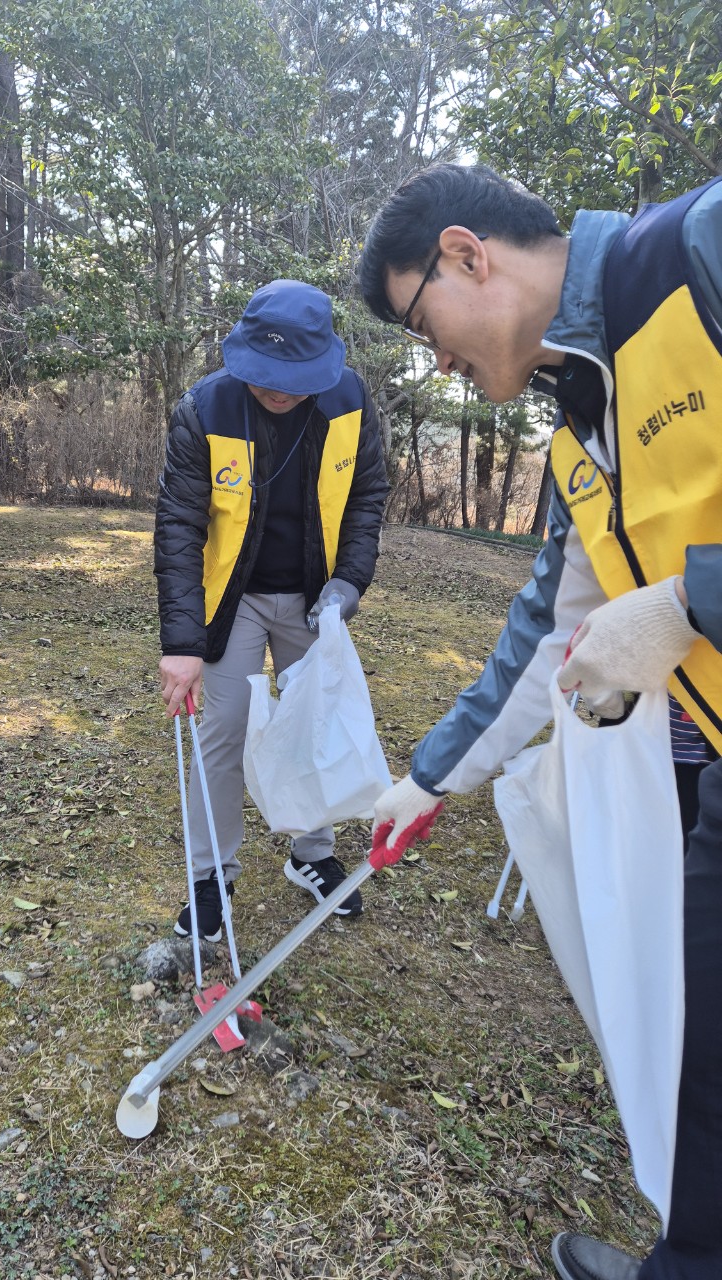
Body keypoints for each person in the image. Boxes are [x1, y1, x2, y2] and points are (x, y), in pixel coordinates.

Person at [357, 162, 722, 1280]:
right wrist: (428, 779)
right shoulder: (576, 430)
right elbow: (545, 637)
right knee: (700, 1043)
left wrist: (688, 600)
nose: (438, 364)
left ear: (470, 253)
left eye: (422, 323)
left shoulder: (699, 254)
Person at [154, 279, 388, 941]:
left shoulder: (351, 400)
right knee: (223, 728)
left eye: (295, 378)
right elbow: (178, 526)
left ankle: (312, 855)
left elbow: (369, 492)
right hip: (231, 600)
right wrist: (182, 642)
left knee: (313, 725)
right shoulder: (205, 408)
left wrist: (350, 581)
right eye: (267, 375)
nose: (278, 390)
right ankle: (212, 876)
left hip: (317, 599)